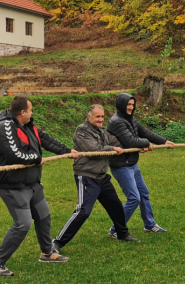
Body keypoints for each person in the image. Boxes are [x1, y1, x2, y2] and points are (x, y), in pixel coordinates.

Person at [0, 96, 79, 277]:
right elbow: (15, 154)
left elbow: (47, 140)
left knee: (43, 216)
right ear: (22, 112)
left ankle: (47, 253)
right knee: (23, 224)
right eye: (30, 110)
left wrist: (68, 152)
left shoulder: (30, 127)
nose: (32, 113)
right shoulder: (4, 127)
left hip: (32, 183)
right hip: (11, 185)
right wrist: (37, 159)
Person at [54, 105, 140, 249]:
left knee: (116, 206)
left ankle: (122, 233)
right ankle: (57, 242)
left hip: (102, 177)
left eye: (102, 117)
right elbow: (94, 150)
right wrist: (112, 149)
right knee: (83, 211)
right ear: (89, 117)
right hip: (87, 176)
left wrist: (140, 144)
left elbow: (118, 142)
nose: (101, 119)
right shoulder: (81, 131)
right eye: (97, 116)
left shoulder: (102, 132)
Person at [106, 93, 176, 237]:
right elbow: (130, 141)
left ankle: (149, 225)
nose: (131, 107)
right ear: (121, 105)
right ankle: (115, 229)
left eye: (132, 104)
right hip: (121, 166)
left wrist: (163, 141)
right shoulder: (117, 121)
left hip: (131, 163)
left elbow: (145, 132)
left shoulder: (130, 119)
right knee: (134, 198)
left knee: (144, 194)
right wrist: (145, 143)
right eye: (128, 105)